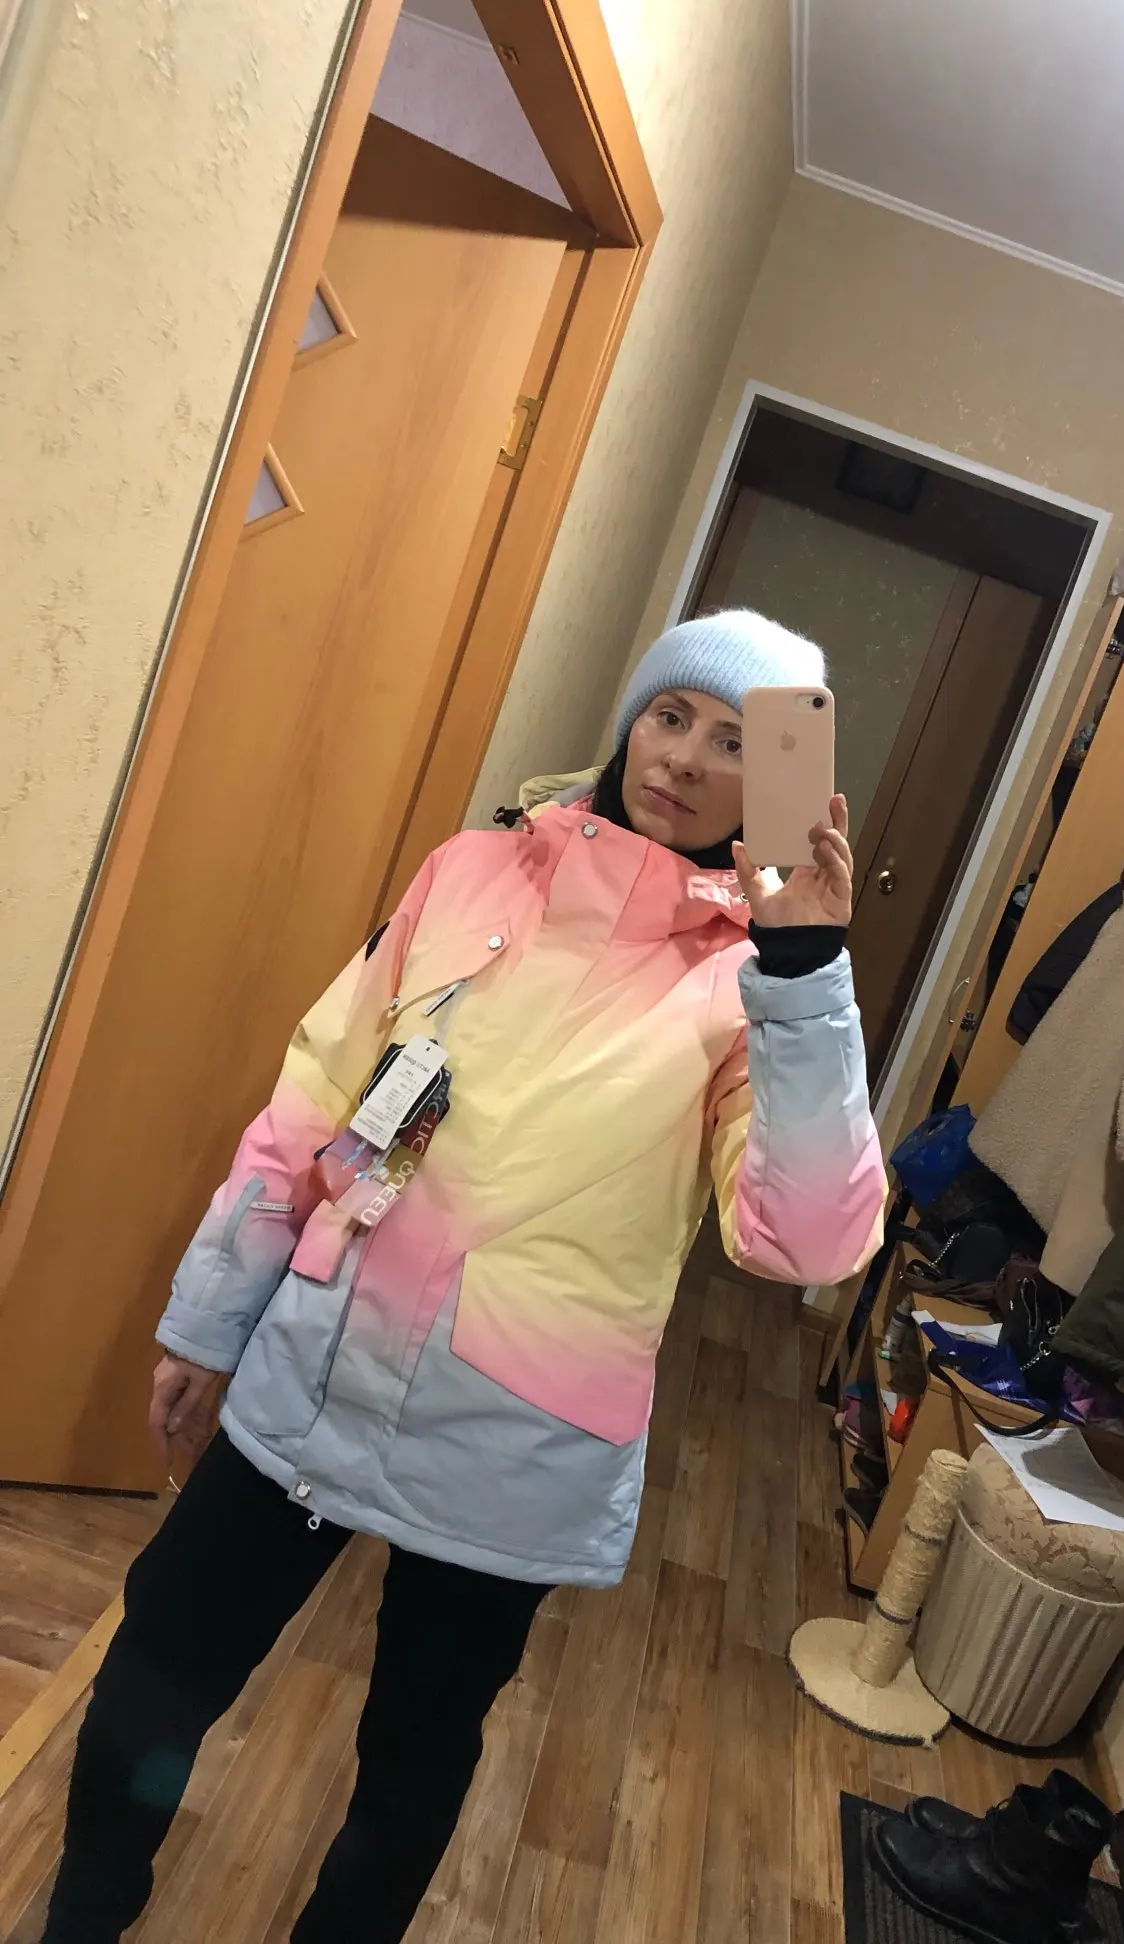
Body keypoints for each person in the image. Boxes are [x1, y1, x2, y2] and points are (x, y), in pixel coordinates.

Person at [43, 610, 888, 1943]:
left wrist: (805, 971)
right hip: (319, 1363)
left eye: (739, 743)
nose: (683, 757)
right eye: (671, 715)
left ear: (783, 783)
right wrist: (211, 1321)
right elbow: (322, 1099)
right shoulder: (474, 871)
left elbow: (806, 1241)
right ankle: (84, 1917)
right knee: (160, 1661)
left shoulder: (754, 990)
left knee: (415, 1750)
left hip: (513, 1436)